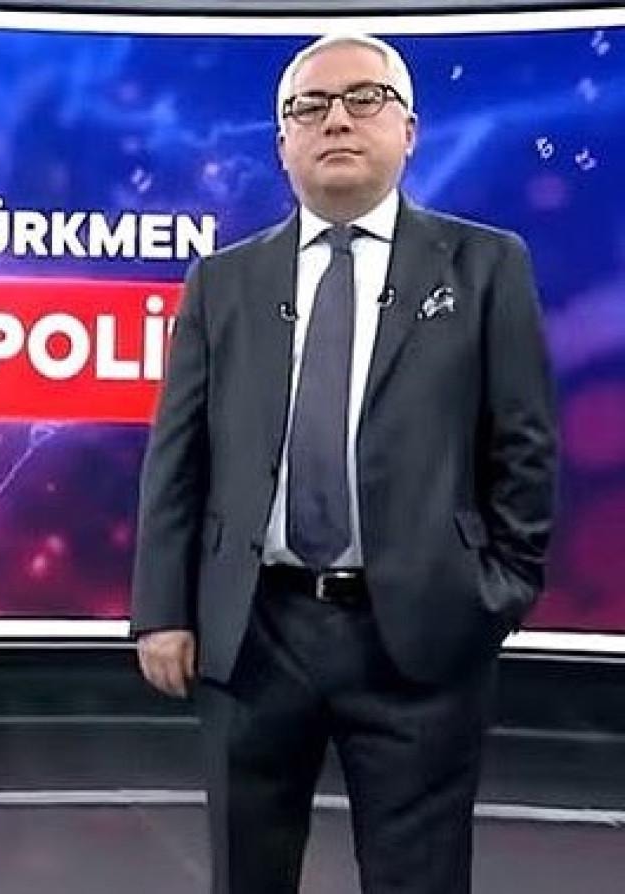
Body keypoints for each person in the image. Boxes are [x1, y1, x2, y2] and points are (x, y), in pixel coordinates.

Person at [130, 33, 558, 894]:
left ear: (409, 131)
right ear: (281, 142)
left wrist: (496, 594)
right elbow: (178, 456)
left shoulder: (486, 266)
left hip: (421, 636)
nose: (336, 120)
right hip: (256, 633)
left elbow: (524, 447)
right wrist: (162, 611)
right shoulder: (223, 281)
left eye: (364, 99)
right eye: (310, 107)